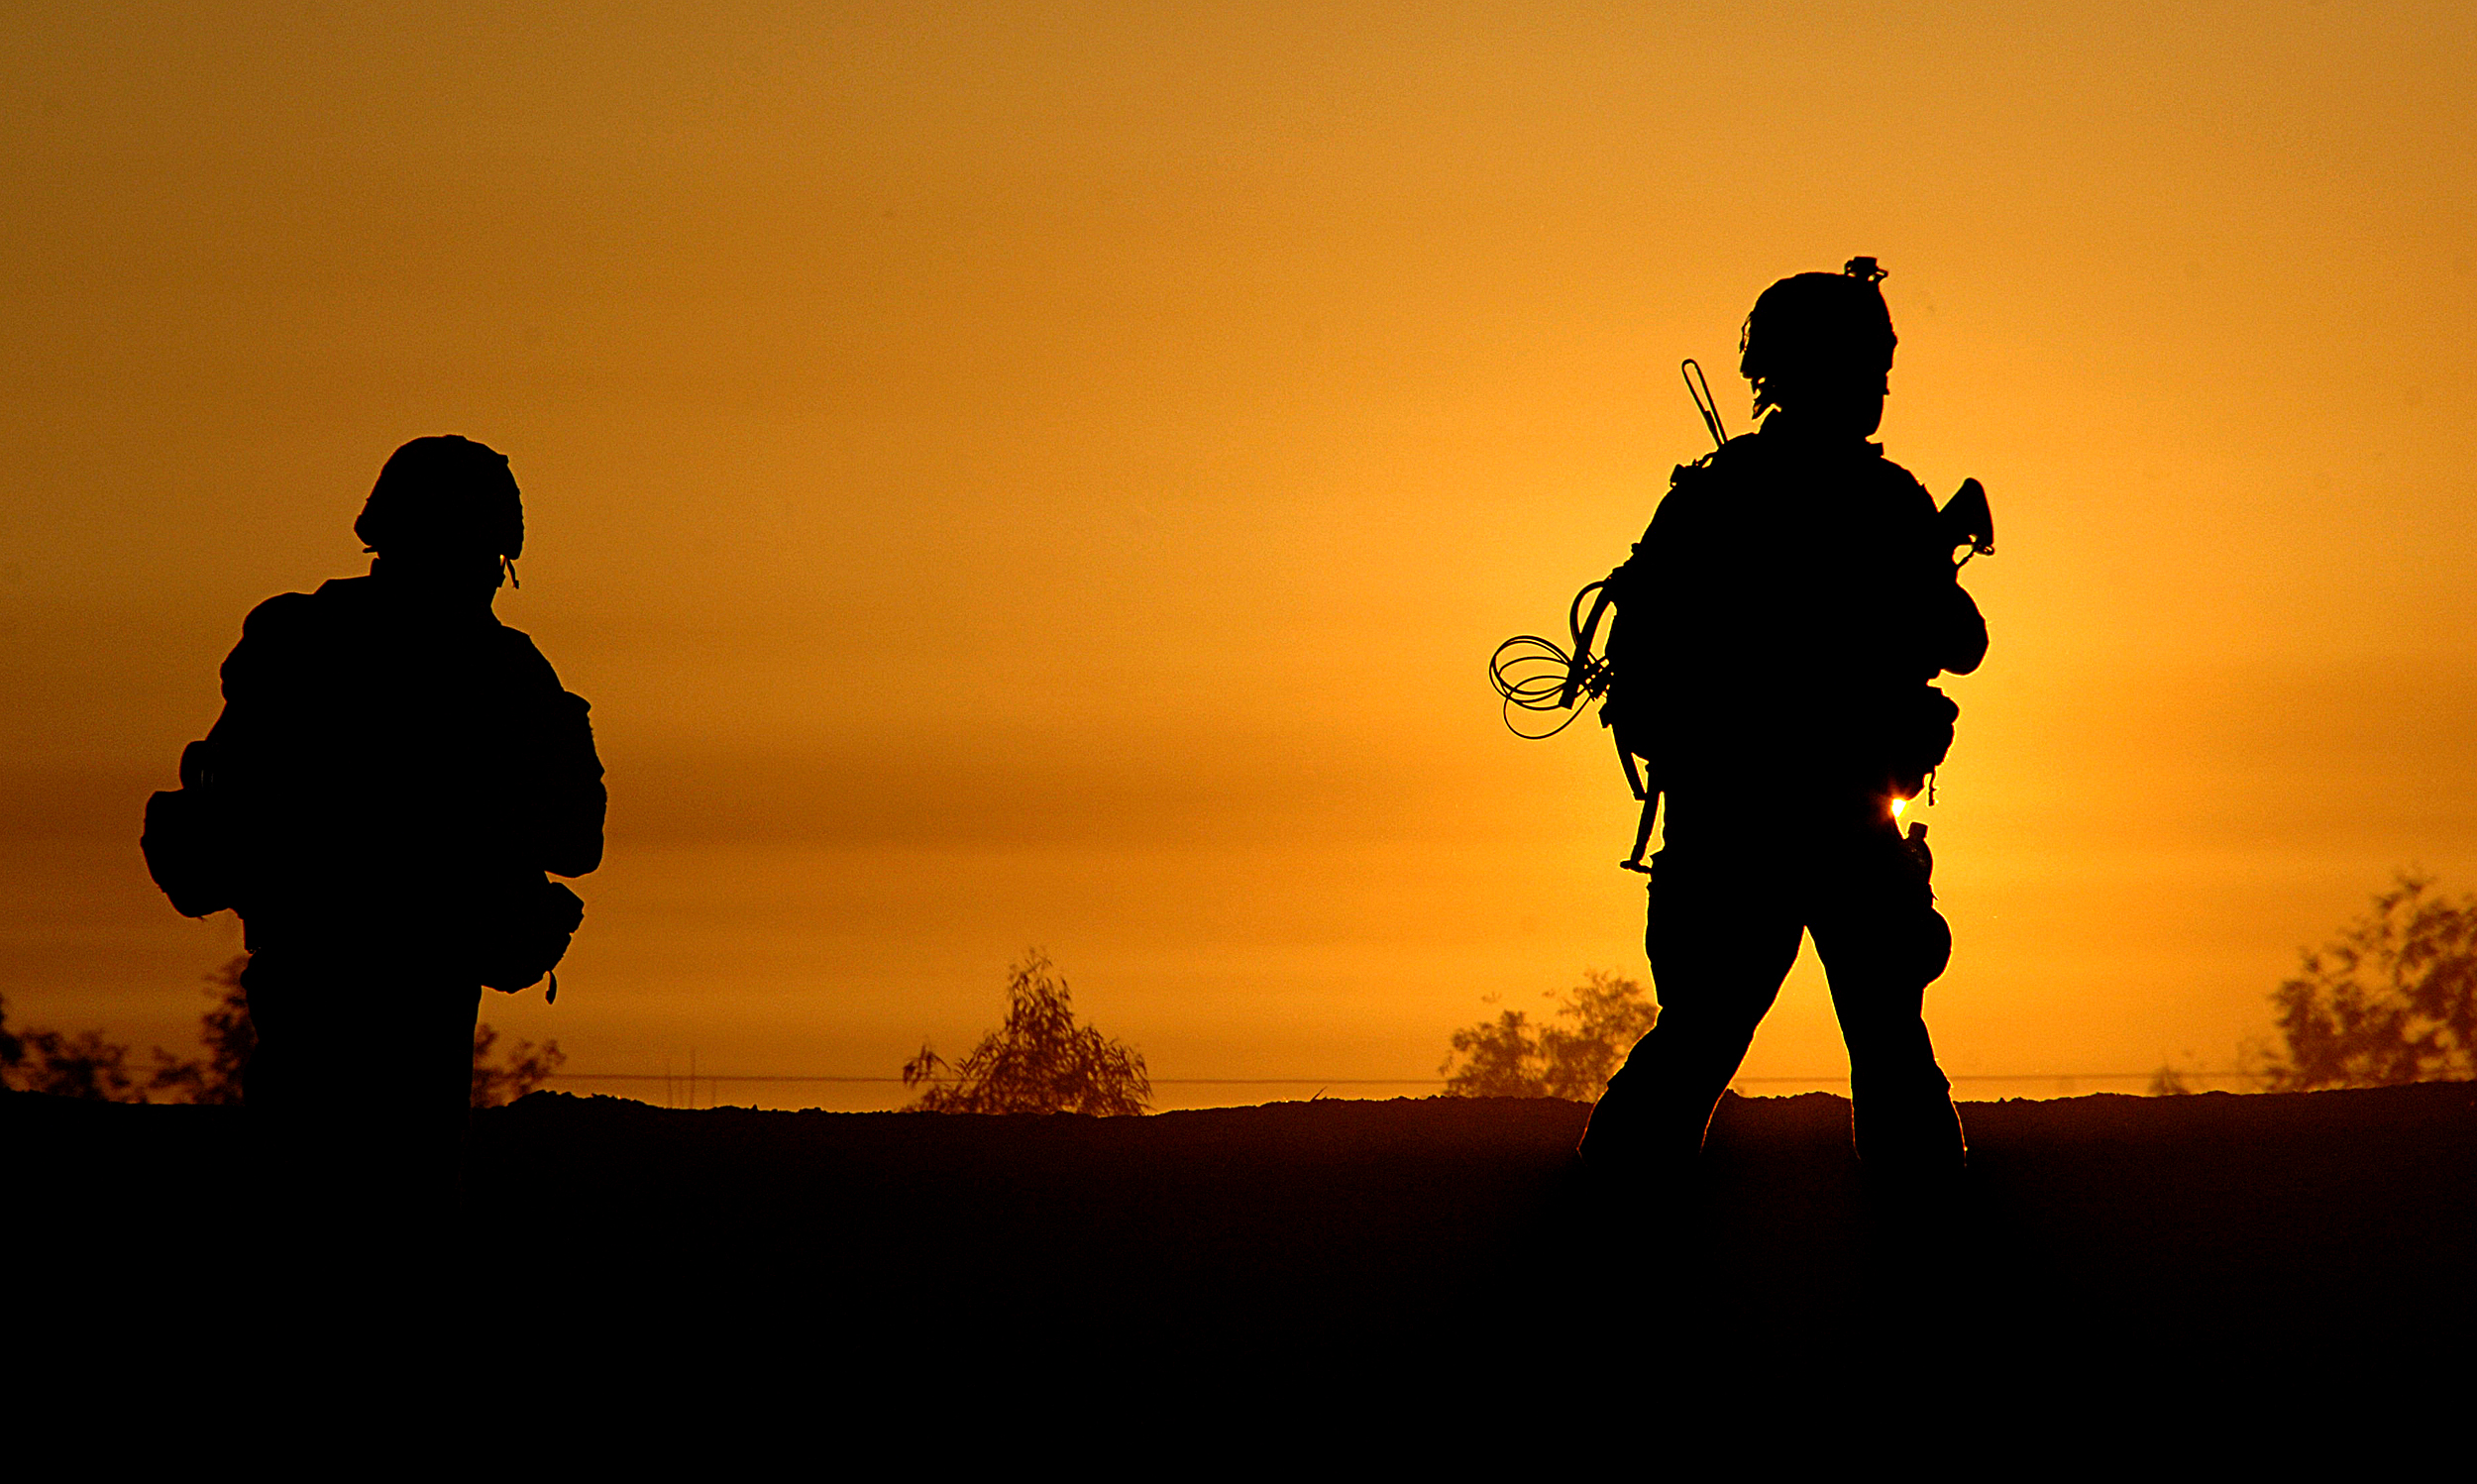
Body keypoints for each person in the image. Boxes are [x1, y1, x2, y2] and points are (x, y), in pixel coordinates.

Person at [1576, 260, 1988, 1189]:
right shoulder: (1882, 502)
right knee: (1885, 1043)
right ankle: (1928, 1244)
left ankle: (1604, 1228)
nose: (1882, 384)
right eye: (1870, 362)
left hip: (1729, 826)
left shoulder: (1708, 500)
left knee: (1701, 1039)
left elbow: (1642, 672)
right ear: (1825, 369)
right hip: (1839, 819)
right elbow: (1959, 643)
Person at [195, 435, 604, 1234]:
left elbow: (225, 789)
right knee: (401, 1199)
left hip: (319, 966)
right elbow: (574, 839)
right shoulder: (503, 673)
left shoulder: (298, 641)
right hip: (410, 974)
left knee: (306, 1186)